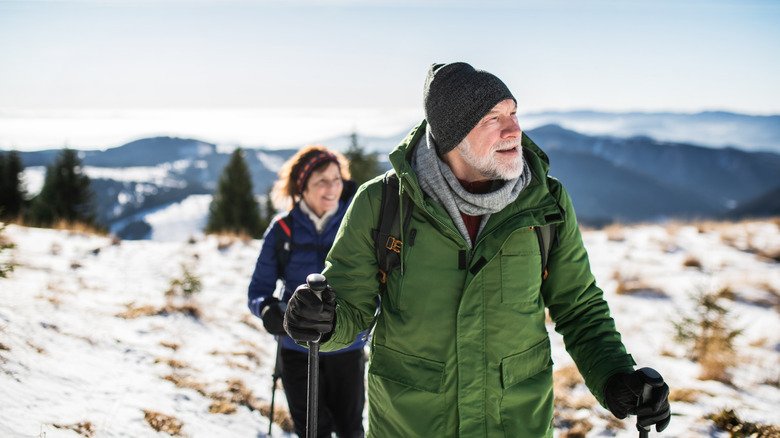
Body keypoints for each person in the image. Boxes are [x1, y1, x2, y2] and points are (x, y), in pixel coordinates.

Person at [283, 63, 671, 437]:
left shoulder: (545, 203)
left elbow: (579, 307)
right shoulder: (383, 203)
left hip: (514, 424)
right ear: (453, 135)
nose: (514, 130)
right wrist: (324, 322)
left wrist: (616, 375)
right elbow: (351, 307)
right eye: (493, 119)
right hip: (409, 425)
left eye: (514, 113)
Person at [248, 145, 366, 438]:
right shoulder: (283, 231)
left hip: (346, 348)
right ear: (303, 187)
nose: (331, 188)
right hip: (295, 348)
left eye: (336, 179)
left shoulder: (357, 226)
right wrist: (268, 311)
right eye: (321, 181)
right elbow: (258, 290)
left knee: (351, 429)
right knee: (312, 431)